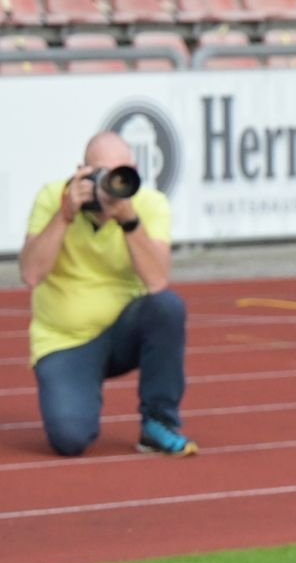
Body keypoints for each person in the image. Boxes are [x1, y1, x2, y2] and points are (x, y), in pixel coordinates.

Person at [17, 132, 194, 458]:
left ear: (134, 171)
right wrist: (65, 215)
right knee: (69, 439)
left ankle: (158, 422)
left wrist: (129, 222)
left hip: (124, 332)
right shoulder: (53, 197)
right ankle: (79, 390)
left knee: (167, 308)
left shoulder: (149, 205)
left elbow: (157, 281)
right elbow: (31, 274)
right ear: (82, 172)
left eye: (120, 174)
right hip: (65, 341)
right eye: (102, 174)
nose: (111, 185)